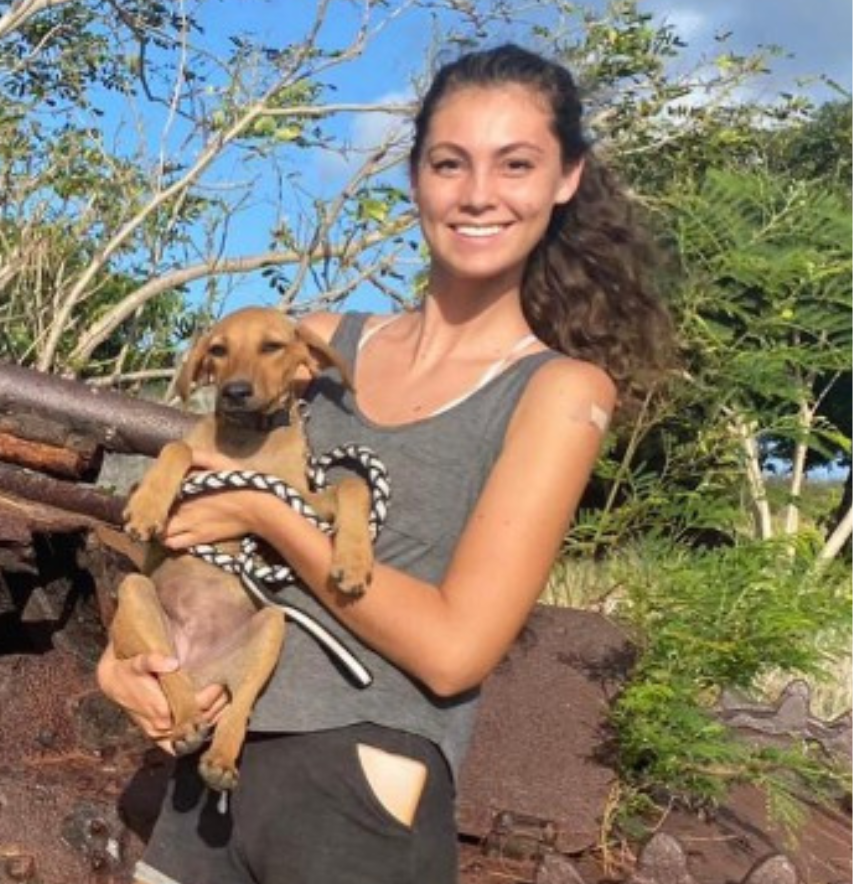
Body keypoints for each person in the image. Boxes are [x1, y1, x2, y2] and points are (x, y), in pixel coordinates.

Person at [97, 44, 675, 883]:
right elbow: (184, 521)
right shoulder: (319, 344)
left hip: (358, 791)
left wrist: (269, 515)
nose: (478, 194)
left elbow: (454, 650)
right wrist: (120, 665)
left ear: (565, 178)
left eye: (516, 164)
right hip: (206, 788)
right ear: (416, 178)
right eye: (450, 163)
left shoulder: (558, 391)